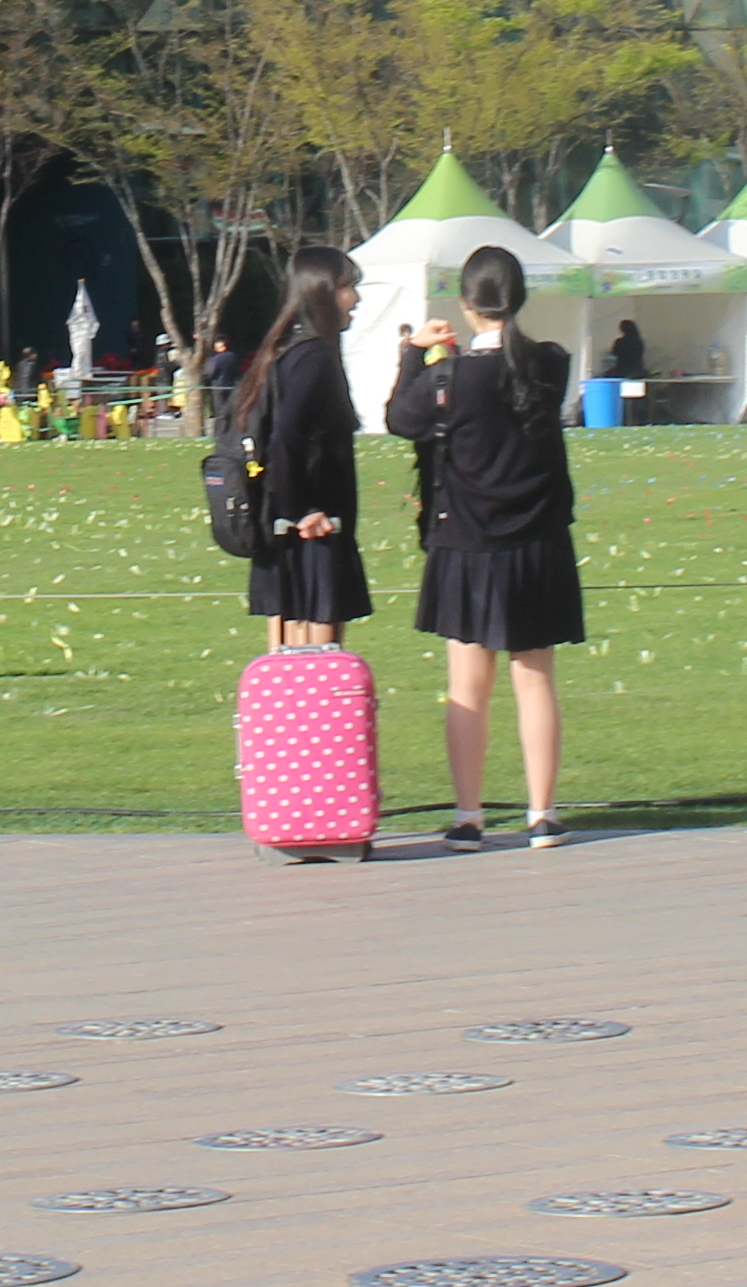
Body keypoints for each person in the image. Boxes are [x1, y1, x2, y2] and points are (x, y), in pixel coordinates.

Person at [381, 243, 580, 850]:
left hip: (468, 546)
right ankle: (541, 814)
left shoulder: (453, 377)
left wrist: (416, 356)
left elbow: (400, 420)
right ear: (517, 299)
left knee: (468, 689)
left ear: (467, 304)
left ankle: (469, 816)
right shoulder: (549, 364)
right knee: (535, 682)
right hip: (537, 542)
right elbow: (524, 360)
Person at [239, 243, 371, 648]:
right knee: (317, 674)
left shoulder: (283, 350)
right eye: (348, 288)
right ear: (322, 291)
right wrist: (303, 511)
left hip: (289, 535)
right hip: (311, 539)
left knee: (291, 676)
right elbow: (285, 438)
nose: (356, 299)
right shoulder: (312, 356)